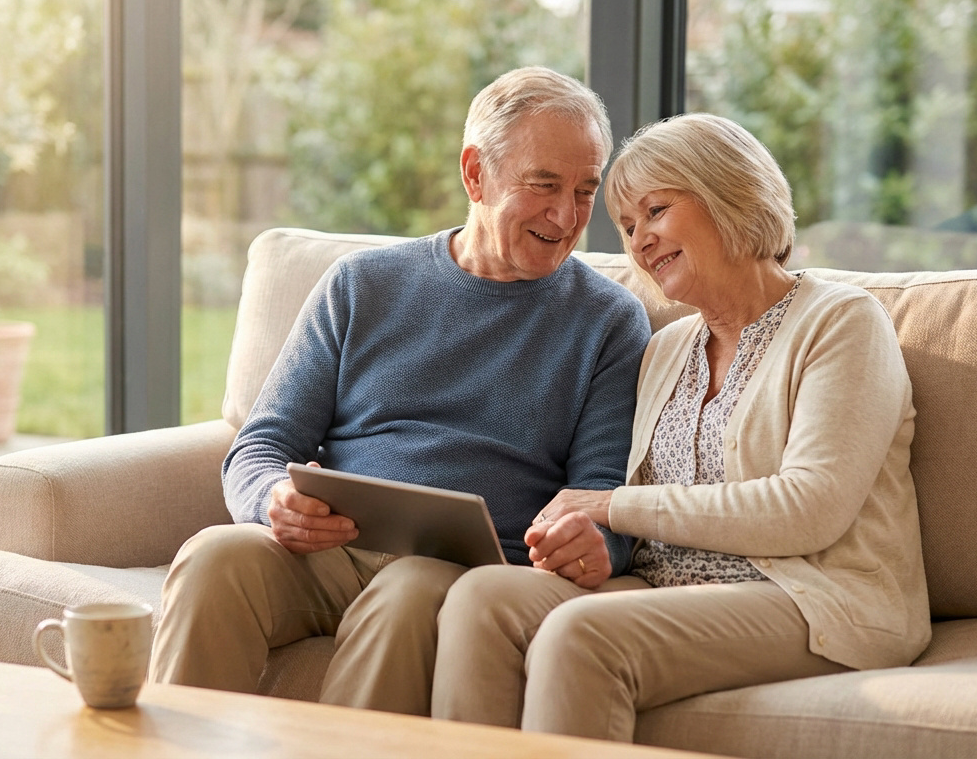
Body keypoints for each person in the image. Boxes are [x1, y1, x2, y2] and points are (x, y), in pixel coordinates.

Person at [148, 66, 652, 717]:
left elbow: (603, 494)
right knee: (216, 555)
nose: (566, 215)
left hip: (468, 569)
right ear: (475, 174)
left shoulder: (609, 320)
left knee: (410, 591)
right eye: (543, 185)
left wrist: (595, 545)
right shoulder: (362, 284)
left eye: (585, 190)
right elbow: (262, 442)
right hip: (331, 550)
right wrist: (270, 499)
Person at [432, 112, 932, 741]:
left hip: (815, 597)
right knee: (483, 599)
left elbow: (811, 509)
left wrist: (614, 506)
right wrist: (590, 545)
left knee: (580, 634)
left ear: (730, 194)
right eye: (629, 225)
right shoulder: (666, 348)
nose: (640, 240)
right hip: (663, 587)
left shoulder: (841, 323)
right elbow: (636, 528)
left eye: (657, 211)